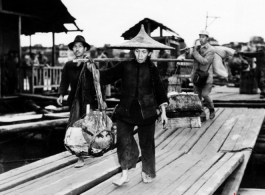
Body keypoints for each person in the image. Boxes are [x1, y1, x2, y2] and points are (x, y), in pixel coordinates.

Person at [87, 25, 171, 186]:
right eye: (137, 51)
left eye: (144, 51)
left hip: (147, 112)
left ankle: (148, 171)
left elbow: (160, 91)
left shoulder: (152, 69)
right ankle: (124, 174)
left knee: (147, 144)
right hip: (125, 110)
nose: (140, 55)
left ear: (149, 53)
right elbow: (106, 77)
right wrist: (93, 69)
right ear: (133, 51)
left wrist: (164, 113)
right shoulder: (125, 65)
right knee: (123, 141)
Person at [57, 35, 96, 168]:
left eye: (80, 46)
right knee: (75, 127)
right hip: (75, 100)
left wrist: (102, 100)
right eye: (75, 46)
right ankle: (80, 156)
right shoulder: (68, 65)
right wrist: (61, 94)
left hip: (88, 100)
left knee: (87, 126)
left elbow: (98, 82)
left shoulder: (90, 63)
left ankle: (88, 151)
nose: (77, 49)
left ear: (85, 48)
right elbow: (64, 81)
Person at [191, 30, 215, 119]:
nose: (201, 38)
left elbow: (204, 61)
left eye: (203, 37)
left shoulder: (211, 50)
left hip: (206, 77)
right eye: (200, 36)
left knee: (205, 95)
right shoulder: (197, 48)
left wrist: (195, 52)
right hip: (197, 76)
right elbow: (191, 57)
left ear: (207, 38)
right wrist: (191, 50)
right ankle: (202, 114)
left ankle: (211, 110)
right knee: (197, 97)